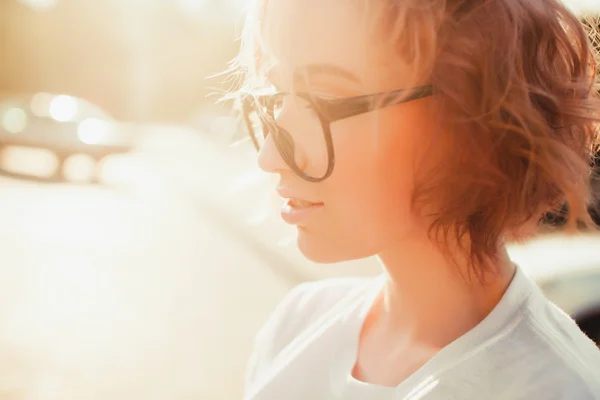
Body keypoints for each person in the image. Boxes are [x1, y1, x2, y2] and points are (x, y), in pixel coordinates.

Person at [228, 0, 600, 398]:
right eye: (276, 98)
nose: (271, 156)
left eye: (324, 98)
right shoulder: (298, 324)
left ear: (470, 115)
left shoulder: (557, 388)